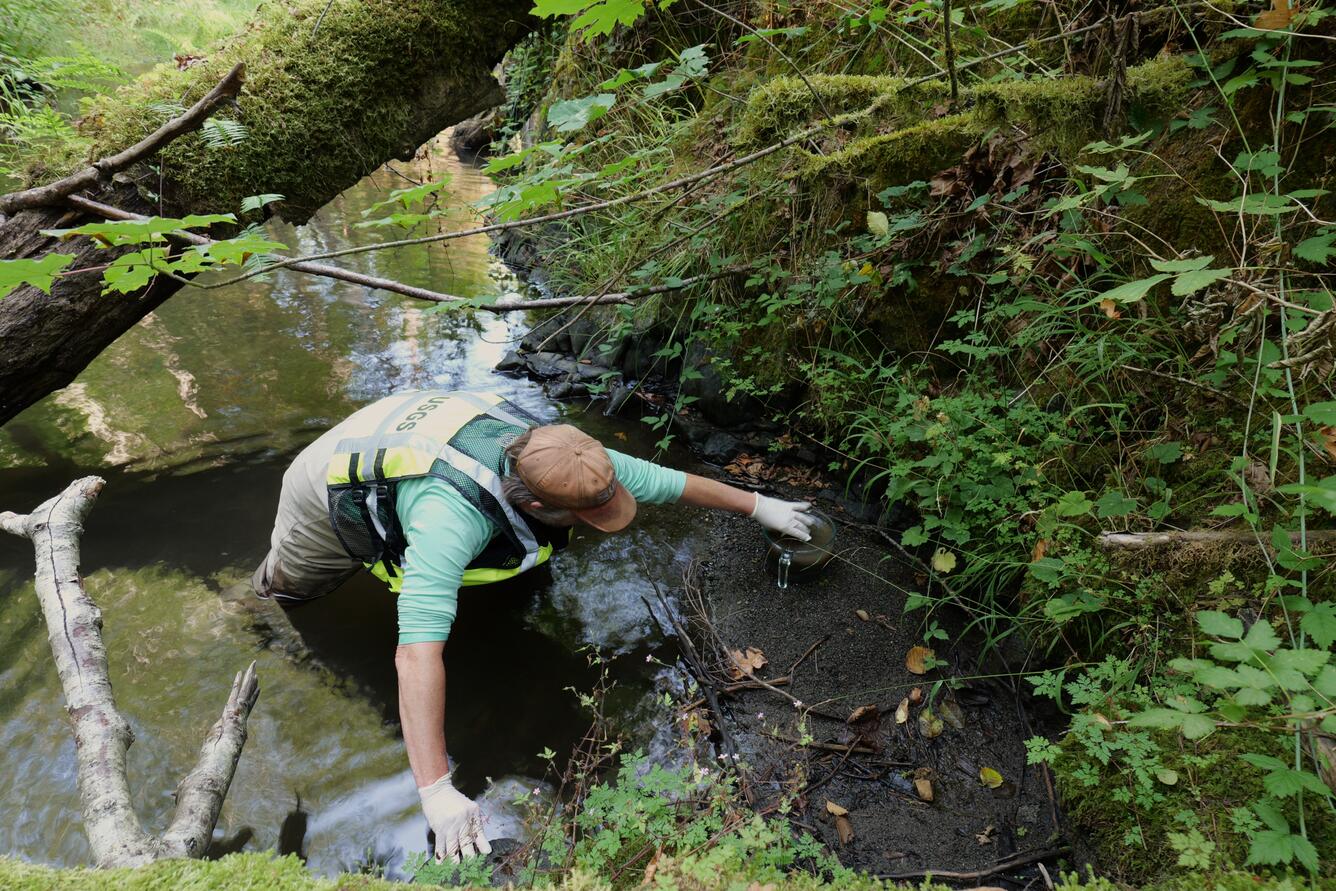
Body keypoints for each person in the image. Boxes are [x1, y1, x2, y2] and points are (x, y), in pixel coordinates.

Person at [250, 389, 815, 862]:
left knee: (509, 570)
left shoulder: (568, 462)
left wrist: (760, 506)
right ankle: (244, 608)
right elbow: (415, 654)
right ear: (539, 505)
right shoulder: (451, 518)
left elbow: (672, 483)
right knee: (293, 590)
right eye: (587, 519)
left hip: (416, 423)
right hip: (331, 481)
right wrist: (436, 789)